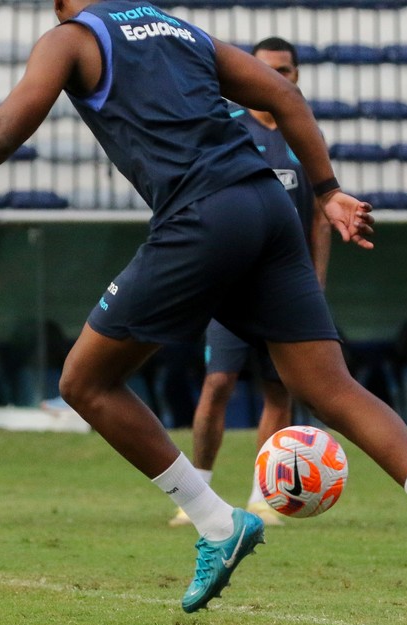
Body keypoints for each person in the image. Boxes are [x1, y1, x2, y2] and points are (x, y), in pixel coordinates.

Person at [0, 2, 407, 625]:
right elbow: (284, 96)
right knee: (328, 385)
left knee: (85, 382)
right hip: (268, 207)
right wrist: (328, 191)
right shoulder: (173, 26)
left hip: (203, 215)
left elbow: (3, 132)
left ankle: (217, 524)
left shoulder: (72, 39)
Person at [168, 36, 330, 530]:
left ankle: (264, 497)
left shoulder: (303, 130)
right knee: (218, 383)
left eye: (285, 70)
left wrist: (316, 283)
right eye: (267, 69)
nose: (277, 78)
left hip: (285, 289)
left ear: (296, 75)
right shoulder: (229, 128)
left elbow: (321, 216)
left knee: (278, 391)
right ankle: (196, 492)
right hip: (232, 285)